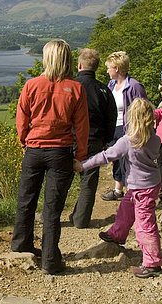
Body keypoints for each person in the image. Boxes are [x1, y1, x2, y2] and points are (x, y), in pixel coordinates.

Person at [11, 39, 90, 275]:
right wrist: (81, 156)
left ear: (47, 58)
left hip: (34, 150)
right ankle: (50, 261)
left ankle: (21, 244)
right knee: (52, 208)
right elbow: (82, 127)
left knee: (26, 200)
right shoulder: (75, 88)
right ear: (67, 59)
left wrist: (24, 141)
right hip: (60, 152)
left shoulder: (32, 85)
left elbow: (21, 118)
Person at [75, 98, 162, 278]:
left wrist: (83, 165)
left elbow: (106, 156)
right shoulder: (155, 138)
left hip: (141, 187)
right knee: (125, 207)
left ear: (131, 118)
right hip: (150, 183)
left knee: (144, 225)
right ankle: (117, 234)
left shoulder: (128, 141)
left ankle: (152, 263)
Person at [69, 48, 117, 228]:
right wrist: (105, 141)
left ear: (79, 65)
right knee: (88, 183)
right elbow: (111, 119)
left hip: (69, 140)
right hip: (94, 141)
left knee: (60, 181)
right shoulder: (104, 90)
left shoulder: (70, 87)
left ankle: (52, 217)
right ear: (96, 67)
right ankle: (81, 220)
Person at [101, 51, 148, 201]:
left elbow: (144, 109)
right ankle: (118, 189)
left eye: (109, 67)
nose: (107, 70)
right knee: (116, 159)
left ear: (116, 68)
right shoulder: (111, 85)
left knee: (129, 160)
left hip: (128, 128)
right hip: (114, 127)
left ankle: (133, 191)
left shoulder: (134, 86)